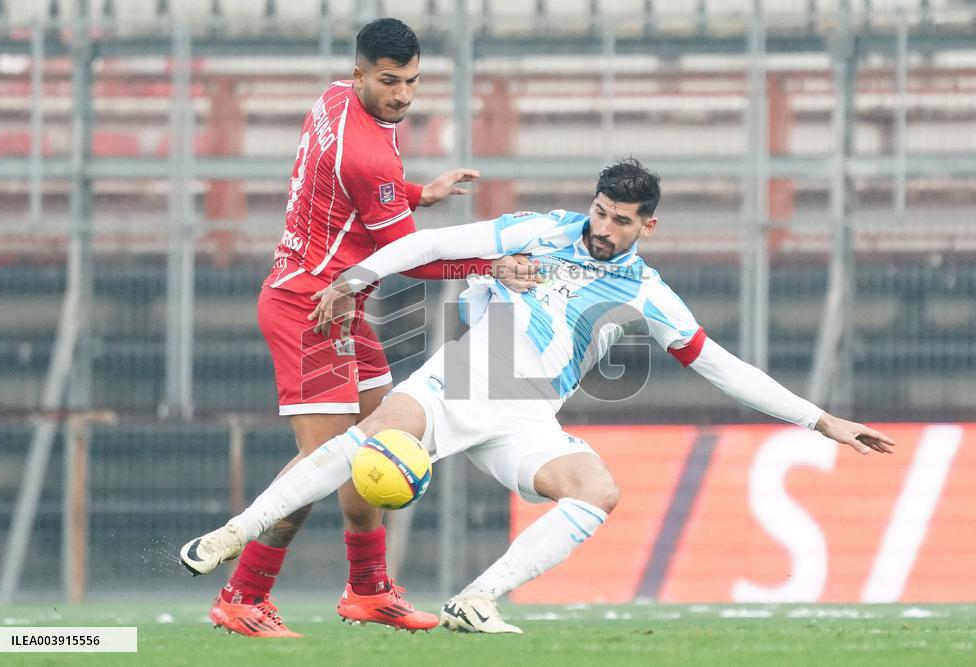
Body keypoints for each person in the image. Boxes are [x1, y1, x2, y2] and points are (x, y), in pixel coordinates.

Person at [181, 158, 895, 634]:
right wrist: (355, 278)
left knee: (596, 488)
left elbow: (719, 365)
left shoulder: (648, 292)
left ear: (649, 225)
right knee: (365, 441)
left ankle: (476, 597)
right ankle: (233, 533)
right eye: (600, 211)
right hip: (467, 377)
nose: (604, 228)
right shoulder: (546, 230)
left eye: (622, 220)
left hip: (529, 415)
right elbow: (433, 247)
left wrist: (819, 418)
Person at [211, 18, 538, 638]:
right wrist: (492, 264)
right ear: (361, 73)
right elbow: (409, 256)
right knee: (324, 461)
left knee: (373, 441)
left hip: (341, 300)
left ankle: (367, 589)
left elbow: (354, 194)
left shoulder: (334, 98)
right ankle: (242, 595)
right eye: (390, 82)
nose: (404, 95)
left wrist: (414, 193)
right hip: (312, 307)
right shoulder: (365, 151)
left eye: (413, 81)